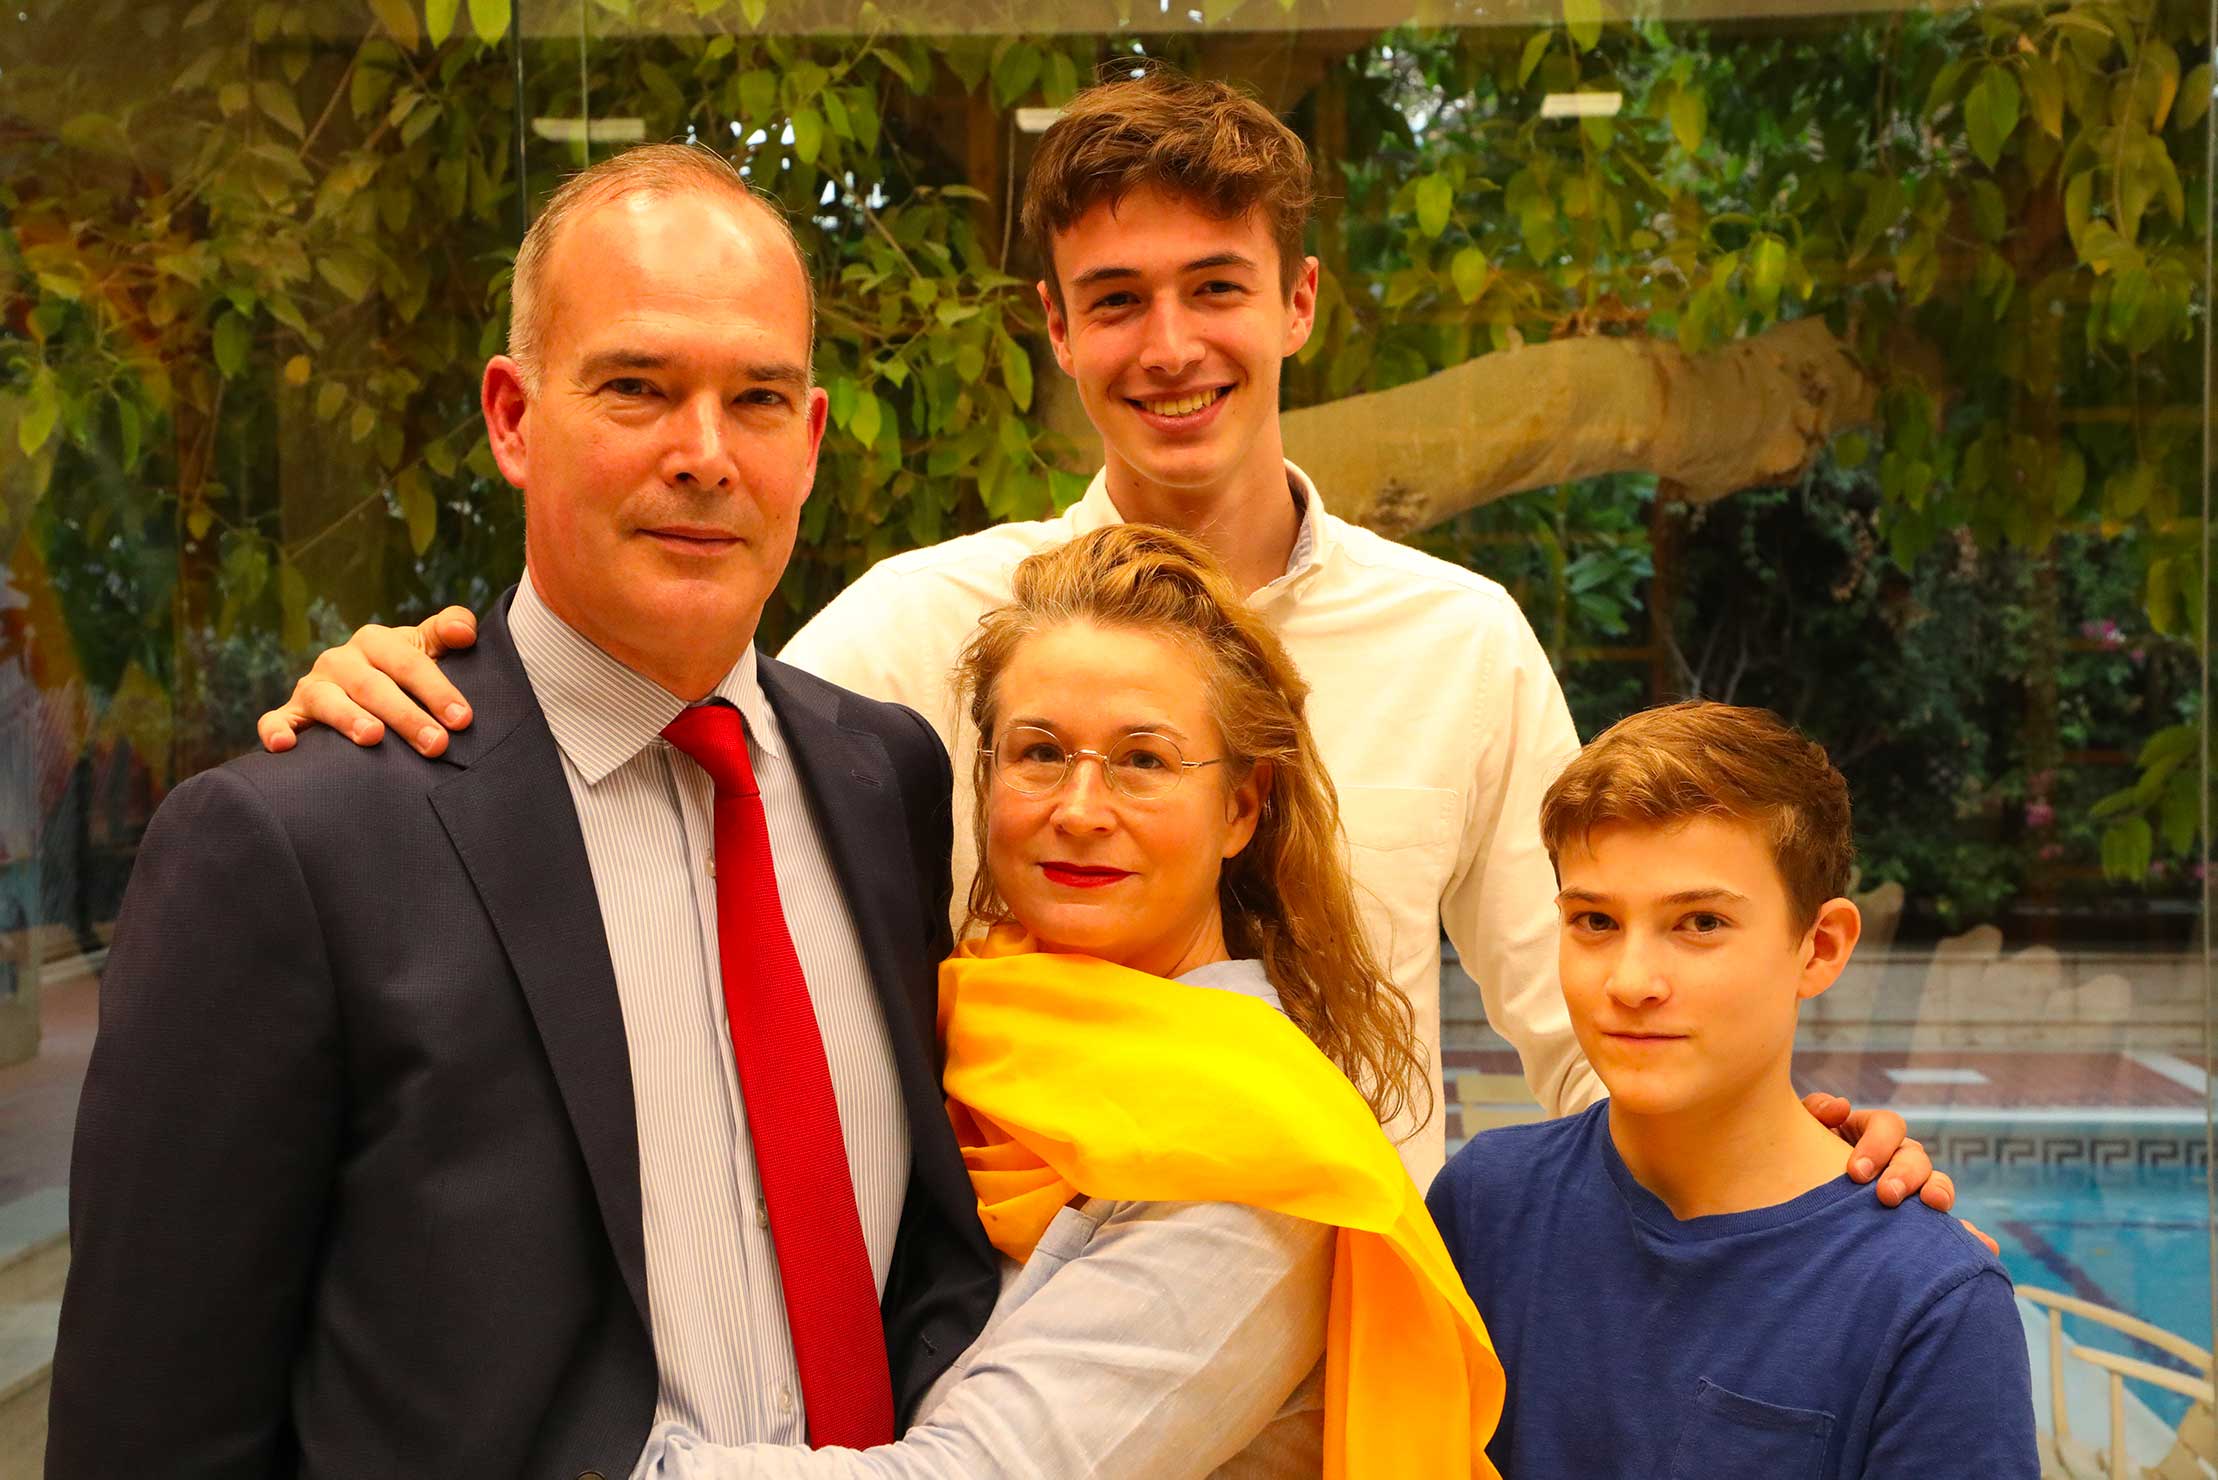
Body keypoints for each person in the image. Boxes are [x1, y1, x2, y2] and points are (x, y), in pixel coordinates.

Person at [252, 67, 1948, 1206]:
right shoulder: (927, 622)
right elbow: (660, 772)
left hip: (1348, 1356)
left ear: (1296, 306)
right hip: (1011, 1349)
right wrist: (418, 685)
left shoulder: (1461, 639)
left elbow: (1592, 1027)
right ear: (1056, 331)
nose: (1169, 346)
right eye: (1116, 301)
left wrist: (1795, 1165)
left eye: (1215, 287)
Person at [47, 147, 999, 1474]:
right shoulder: (294, 847)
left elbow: (932, 1262)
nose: (705, 454)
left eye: (758, 398)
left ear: (811, 438)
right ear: (511, 416)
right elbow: (150, 1430)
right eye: (637, 387)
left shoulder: (888, 780)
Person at [634, 522, 1503, 1479]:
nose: (1081, 810)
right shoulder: (947, 1019)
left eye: (1144, 761)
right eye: (1040, 752)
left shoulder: (1258, 1153)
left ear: (1242, 807)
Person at [1426, 701, 2039, 1479]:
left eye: (1702, 923)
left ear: (1819, 948)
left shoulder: (1931, 1302)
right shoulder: (1485, 1206)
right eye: (1594, 921)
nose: (1632, 982)